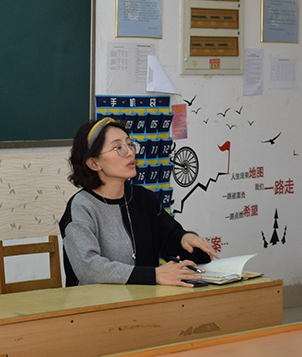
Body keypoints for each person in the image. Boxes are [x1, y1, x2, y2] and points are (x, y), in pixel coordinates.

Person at [59, 117, 218, 287]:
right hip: (96, 301)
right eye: (118, 148)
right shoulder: (82, 207)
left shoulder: (143, 198)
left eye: (130, 144)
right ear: (94, 163)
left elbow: (170, 238)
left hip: (145, 299)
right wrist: (152, 275)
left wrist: (185, 239)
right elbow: (88, 268)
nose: (130, 152)